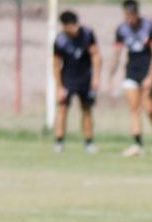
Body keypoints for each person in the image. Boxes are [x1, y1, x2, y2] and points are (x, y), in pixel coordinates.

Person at [110, 0, 152, 156]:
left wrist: (151, 76)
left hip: (148, 71)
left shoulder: (149, 27)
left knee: (149, 109)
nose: (128, 18)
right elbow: (117, 53)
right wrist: (111, 74)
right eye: (126, 15)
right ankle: (137, 143)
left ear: (136, 13)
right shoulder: (121, 30)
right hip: (131, 71)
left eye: (130, 15)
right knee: (134, 107)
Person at [52, 10, 102, 154]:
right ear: (64, 26)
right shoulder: (60, 40)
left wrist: (96, 78)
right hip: (67, 78)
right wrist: (59, 86)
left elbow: (96, 56)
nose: (72, 28)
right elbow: (55, 64)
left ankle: (88, 142)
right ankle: (59, 142)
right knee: (62, 109)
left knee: (86, 109)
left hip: (85, 78)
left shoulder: (87, 35)